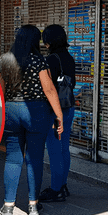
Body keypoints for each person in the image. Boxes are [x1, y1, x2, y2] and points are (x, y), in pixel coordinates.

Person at [0, 24, 64, 215]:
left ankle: (8, 206)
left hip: (11, 110)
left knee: (12, 158)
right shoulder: (39, 61)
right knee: (34, 159)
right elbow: (49, 90)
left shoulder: (4, 60)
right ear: (35, 41)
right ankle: (33, 205)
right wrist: (59, 116)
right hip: (36, 111)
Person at [40, 24, 76, 202]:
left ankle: (56, 189)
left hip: (55, 112)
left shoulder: (51, 59)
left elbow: (48, 89)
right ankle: (63, 184)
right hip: (69, 107)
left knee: (54, 150)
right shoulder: (69, 57)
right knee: (64, 149)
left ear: (48, 42)